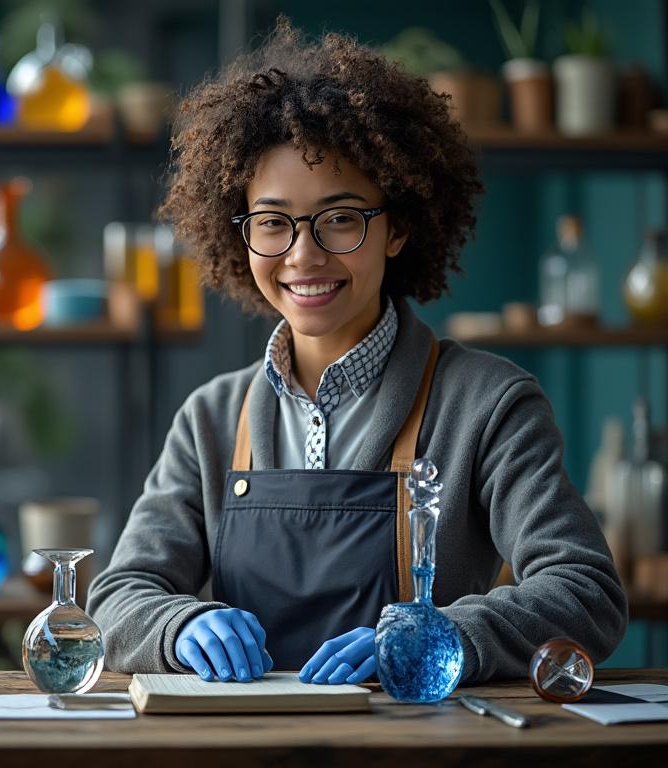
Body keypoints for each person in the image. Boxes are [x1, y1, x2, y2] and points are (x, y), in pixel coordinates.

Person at [86, 19, 626, 686]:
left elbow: (587, 592)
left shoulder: (489, 404)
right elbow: (116, 597)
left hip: (421, 746)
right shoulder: (212, 419)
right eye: (272, 222)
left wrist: (441, 637)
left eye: (341, 219)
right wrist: (180, 625)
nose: (303, 255)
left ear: (397, 227)